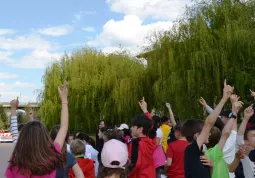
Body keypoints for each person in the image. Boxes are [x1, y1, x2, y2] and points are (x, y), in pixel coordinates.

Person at [5, 81, 72, 178]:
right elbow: (64, 127)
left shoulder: (16, 161)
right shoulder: (52, 154)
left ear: (23, 138)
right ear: (44, 136)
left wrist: (13, 110)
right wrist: (64, 99)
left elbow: (15, 134)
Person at [184, 79, 234, 178]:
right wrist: (224, 99)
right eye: (205, 131)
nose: (208, 133)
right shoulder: (190, 150)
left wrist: (211, 166)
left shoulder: (202, 154)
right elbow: (209, 123)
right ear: (196, 136)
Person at [199, 96, 239, 178]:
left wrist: (206, 106)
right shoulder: (231, 140)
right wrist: (234, 107)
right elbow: (232, 127)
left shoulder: (204, 148)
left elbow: (213, 119)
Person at [128, 97, 156, 178]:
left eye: (133, 126)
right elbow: (151, 126)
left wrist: (127, 173)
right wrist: (145, 110)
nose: (131, 128)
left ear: (140, 129)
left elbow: (134, 163)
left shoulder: (135, 143)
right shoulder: (151, 140)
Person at [236, 105, 255, 178]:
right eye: (254, 135)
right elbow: (239, 135)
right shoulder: (244, 151)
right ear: (246, 141)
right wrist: (246, 118)